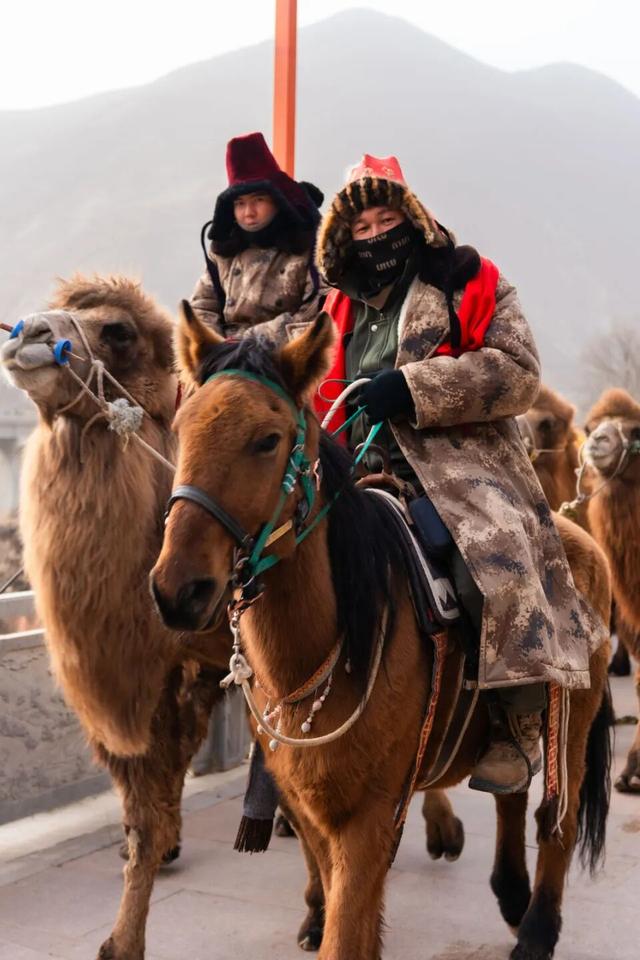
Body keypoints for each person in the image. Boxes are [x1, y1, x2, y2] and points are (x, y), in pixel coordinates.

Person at [315, 154, 607, 794]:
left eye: (385, 220)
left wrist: (415, 387)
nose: (373, 236)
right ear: (343, 237)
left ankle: (515, 721)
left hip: (460, 465)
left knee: (496, 553)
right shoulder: (332, 307)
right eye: (359, 228)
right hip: (350, 465)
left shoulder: (471, 281)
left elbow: (519, 372)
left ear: (411, 217)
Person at [191, 131, 325, 343]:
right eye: (240, 203)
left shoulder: (311, 246)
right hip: (223, 360)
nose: (248, 212)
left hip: (287, 359)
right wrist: (214, 349)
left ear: (277, 200)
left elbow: (317, 314)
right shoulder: (224, 251)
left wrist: (250, 342)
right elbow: (202, 306)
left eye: (258, 200)